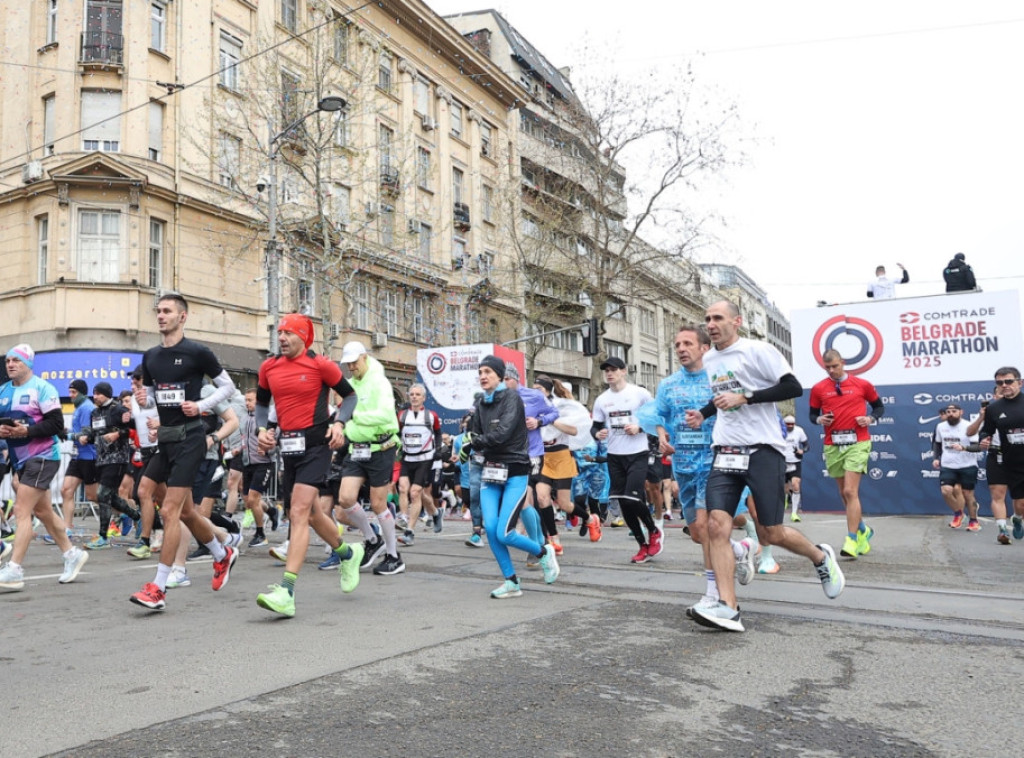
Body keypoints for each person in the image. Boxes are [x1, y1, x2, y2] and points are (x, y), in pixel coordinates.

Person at [687, 301, 845, 632]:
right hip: (726, 450)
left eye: (718, 318)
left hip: (763, 451)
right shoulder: (712, 359)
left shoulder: (758, 350)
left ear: (737, 321)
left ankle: (820, 557)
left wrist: (746, 398)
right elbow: (724, 395)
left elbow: (791, 387)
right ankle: (728, 608)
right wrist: (704, 412)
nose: (711, 324)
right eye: (707, 319)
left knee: (769, 531)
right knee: (717, 526)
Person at [129, 293, 240, 611]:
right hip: (165, 439)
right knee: (152, 493)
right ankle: (223, 554)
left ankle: (159, 587)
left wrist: (200, 406)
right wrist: (143, 402)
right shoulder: (150, 356)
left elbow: (228, 387)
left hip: (191, 440)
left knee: (171, 512)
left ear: (182, 317)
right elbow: (152, 398)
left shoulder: (197, 352)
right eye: (158, 311)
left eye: (167, 311)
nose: (161, 316)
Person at [252, 314, 363, 618]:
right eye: (280, 333)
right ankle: (348, 553)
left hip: (317, 445)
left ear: (304, 337)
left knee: (299, 512)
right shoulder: (269, 367)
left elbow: (350, 397)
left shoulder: (320, 365)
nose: (282, 338)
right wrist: (263, 430)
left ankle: (286, 592)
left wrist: (340, 423)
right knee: (311, 514)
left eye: (288, 333)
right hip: (289, 448)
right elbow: (262, 405)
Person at [655, 324, 755, 615]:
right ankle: (739, 550)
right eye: (677, 345)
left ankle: (713, 594)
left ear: (703, 348)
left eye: (687, 343)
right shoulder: (668, 384)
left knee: (704, 526)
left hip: (714, 462)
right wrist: (662, 436)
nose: (681, 349)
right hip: (683, 464)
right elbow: (660, 416)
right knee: (699, 533)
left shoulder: (718, 378)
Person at [467, 355, 558, 597]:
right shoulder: (480, 404)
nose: (483, 376)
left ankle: (542, 552)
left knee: (505, 532)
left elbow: (503, 433)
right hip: (490, 471)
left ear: (499, 376)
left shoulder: (511, 397)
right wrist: (475, 441)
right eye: (480, 372)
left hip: (515, 470)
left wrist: (477, 441)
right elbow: (473, 433)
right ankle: (511, 581)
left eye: (488, 371)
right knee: (492, 528)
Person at [0, 344, 89, 590]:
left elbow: (56, 424)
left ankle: (15, 569)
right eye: (8, 360)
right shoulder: (3, 391)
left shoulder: (42, 388)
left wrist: (26, 430)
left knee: (21, 510)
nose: (10, 364)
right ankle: (72, 554)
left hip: (43, 456)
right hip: (20, 459)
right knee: (43, 512)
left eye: (16, 360)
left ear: (28, 363)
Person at [333, 341, 403, 576]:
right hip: (357, 448)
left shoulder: (380, 382)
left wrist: (355, 416)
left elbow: (385, 415)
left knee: (378, 503)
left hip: (381, 447)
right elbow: (341, 416)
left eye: (354, 362)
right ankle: (373, 539)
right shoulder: (349, 386)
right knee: (345, 498)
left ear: (364, 358)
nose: (351, 366)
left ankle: (394, 556)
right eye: (347, 363)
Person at [808, 350, 884, 558]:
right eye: (827, 367)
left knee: (851, 491)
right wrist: (819, 420)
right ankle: (863, 530)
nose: (831, 370)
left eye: (835, 366)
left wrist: (870, 419)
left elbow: (879, 407)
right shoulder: (818, 388)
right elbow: (812, 414)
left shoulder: (862, 385)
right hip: (833, 443)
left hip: (858, 442)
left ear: (843, 362)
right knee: (843, 493)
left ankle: (851, 539)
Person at [591, 356, 663, 563]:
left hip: (638, 452)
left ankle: (653, 530)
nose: (609, 373)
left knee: (632, 498)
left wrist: (639, 428)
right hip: (614, 455)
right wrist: (598, 434)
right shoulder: (602, 399)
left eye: (614, 369)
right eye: (606, 370)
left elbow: (655, 417)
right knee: (623, 502)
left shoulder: (639, 394)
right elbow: (595, 426)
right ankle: (642, 545)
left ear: (624, 371)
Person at [534, 375, 598, 543]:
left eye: (539, 389)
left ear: (548, 391)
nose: (536, 393)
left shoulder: (561, 407)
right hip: (543, 458)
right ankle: (554, 538)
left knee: (564, 504)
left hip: (561, 456)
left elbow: (574, 431)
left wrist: (551, 421)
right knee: (542, 498)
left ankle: (589, 519)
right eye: (534, 389)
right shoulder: (532, 409)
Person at [82, 382, 141, 549]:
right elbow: (95, 433)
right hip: (101, 458)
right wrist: (86, 436)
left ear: (107, 394)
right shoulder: (95, 412)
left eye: (99, 393)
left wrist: (118, 433)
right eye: (94, 393)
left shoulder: (118, 409)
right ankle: (137, 517)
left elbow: (134, 428)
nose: (96, 396)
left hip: (118, 458)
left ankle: (103, 537)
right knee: (110, 497)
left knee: (102, 494)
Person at [980, 367, 1024, 543]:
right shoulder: (994, 409)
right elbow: (986, 431)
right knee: (1009, 498)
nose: (1004, 385)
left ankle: (1017, 518)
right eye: (1000, 383)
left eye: (1008, 381)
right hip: (1007, 459)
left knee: (1021, 504)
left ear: (1019, 382)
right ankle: (1008, 525)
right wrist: (984, 439)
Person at [396, 384, 443, 546]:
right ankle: (435, 513)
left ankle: (409, 532)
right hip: (407, 458)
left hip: (424, 459)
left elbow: (437, 433)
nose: (414, 397)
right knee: (403, 488)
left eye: (418, 395)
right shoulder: (402, 415)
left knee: (415, 493)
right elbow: (397, 433)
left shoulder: (431, 416)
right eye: (412, 394)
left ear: (423, 398)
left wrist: (438, 449)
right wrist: (397, 446)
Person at [967, 386, 1012, 544]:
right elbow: (970, 433)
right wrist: (981, 418)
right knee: (998, 495)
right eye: (1000, 393)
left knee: (1020, 501)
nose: (1003, 395)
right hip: (996, 456)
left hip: (1018, 456)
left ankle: (1018, 519)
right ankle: (1003, 530)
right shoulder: (989, 413)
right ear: (994, 396)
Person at [56, 379, 98, 539]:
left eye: (73, 392)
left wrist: (66, 435)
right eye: (69, 392)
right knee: (66, 490)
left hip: (89, 456)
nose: (70, 395)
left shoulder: (87, 407)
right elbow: (76, 432)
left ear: (82, 392)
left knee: (93, 496)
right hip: (77, 456)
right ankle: (66, 529)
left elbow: (85, 436)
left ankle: (128, 513)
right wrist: (64, 431)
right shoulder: (79, 407)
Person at [933, 403, 982, 532]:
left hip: (967, 465)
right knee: (946, 491)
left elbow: (977, 447)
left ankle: (973, 520)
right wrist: (936, 458)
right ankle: (958, 513)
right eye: (948, 412)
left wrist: (963, 448)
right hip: (948, 465)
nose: (951, 414)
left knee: (968, 494)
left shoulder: (968, 426)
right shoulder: (940, 426)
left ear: (961, 412)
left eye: (954, 411)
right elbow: (937, 444)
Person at [782, 414, 809, 524]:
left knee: (796, 485)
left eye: (792, 424)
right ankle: (785, 499)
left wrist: (802, 451)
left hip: (795, 461)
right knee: (785, 488)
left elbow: (806, 445)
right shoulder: (778, 430)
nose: (790, 426)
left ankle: (794, 512)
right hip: (782, 461)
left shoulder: (799, 431)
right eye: (788, 424)